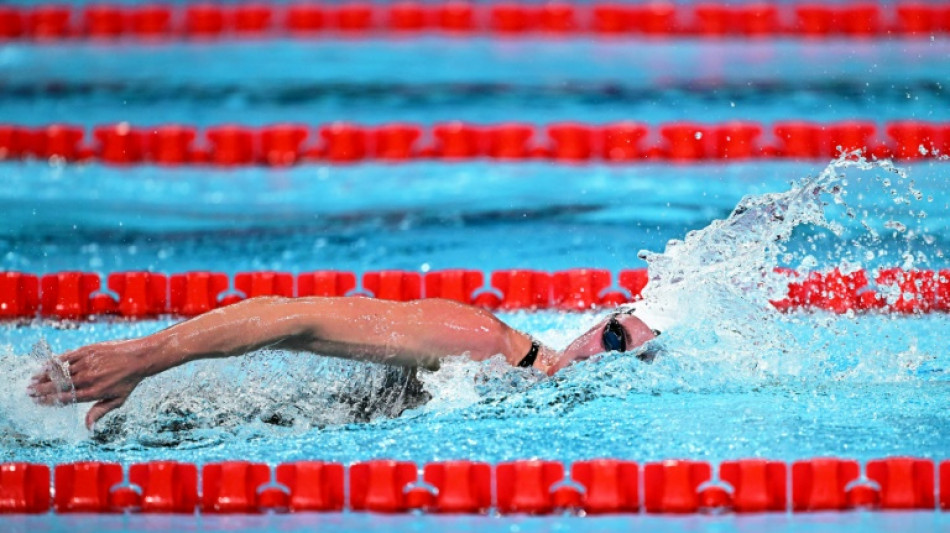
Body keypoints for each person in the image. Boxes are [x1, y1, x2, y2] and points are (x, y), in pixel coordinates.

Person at [28, 296, 658, 429]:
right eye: (611, 338)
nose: (606, 362)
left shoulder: (529, 395)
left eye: (631, 361)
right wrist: (143, 355)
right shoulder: (481, 343)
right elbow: (291, 317)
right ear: (593, 322)